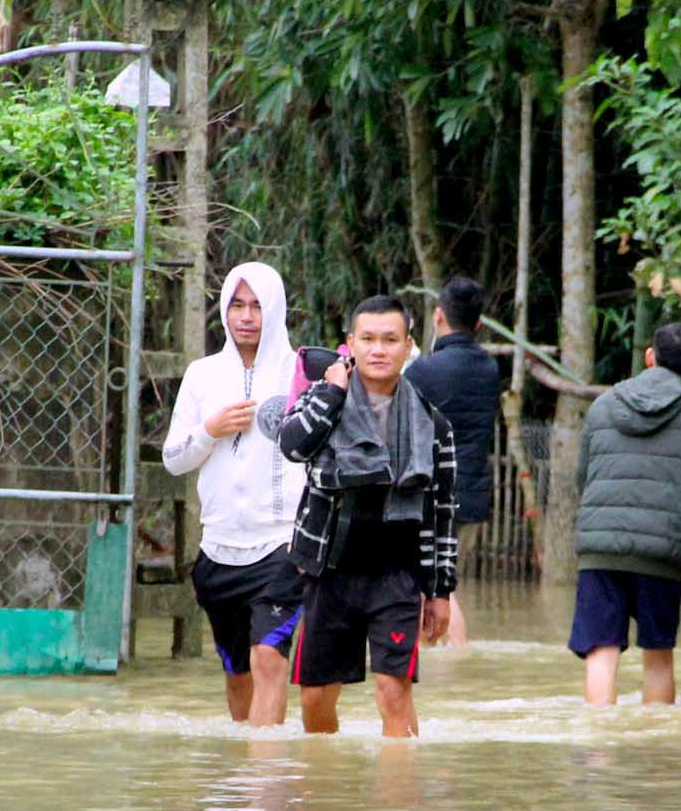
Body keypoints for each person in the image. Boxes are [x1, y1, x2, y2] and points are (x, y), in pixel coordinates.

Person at [278, 295, 459, 736]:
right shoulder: (324, 400)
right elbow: (291, 445)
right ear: (350, 344)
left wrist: (440, 590)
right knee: (316, 697)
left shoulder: (433, 426)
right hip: (330, 567)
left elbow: (442, 511)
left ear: (409, 346)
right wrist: (334, 392)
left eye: (390, 340)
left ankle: (401, 800)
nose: (379, 349)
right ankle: (329, 796)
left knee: (393, 691)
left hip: (397, 572)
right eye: (369, 339)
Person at [569, 322, 681, 705]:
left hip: (600, 548)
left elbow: (582, 478)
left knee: (601, 654)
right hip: (662, 554)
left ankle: (597, 755)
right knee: (658, 658)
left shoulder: (604, 404)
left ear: (650, 357)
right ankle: (654, 760)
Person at [162, 262, 306, 725]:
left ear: (277, 310)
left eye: (258, 306)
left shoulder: (302, 372)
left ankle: (266, 786)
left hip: (282, 545)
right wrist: (210, 430)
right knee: (237, 670)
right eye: (237, 305)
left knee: (269, 658)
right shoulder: (202, 375)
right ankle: (244, 781)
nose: (246, 317)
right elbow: (173, 458)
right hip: (219, 551)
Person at [403, 276, 498, 646]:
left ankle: (447, 660)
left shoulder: (423, 371)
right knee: (445, 579)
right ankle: (451, 657)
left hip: (430, 492)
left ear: (439, 315)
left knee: (431, 584)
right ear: (478, 324)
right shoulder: (489, 369)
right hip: (471, 492)